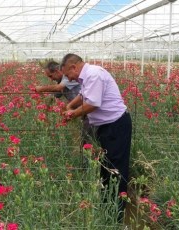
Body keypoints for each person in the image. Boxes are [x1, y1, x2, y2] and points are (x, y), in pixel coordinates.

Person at [61, 53, 132, 222]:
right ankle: (108, 205)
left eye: (67, 74)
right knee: (107, 166)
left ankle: (117, 214)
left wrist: (72, 113)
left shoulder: (94, 74)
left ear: (73, 67)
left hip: (116, 125)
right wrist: (71, 105)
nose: (68, 78)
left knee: (117, 168)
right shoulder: (86, 77)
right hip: (107, 126)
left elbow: (92, 103)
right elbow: (84, 95)